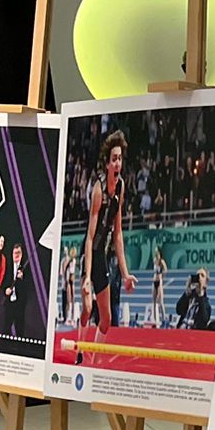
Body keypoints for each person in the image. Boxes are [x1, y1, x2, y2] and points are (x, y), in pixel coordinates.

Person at [80, 131, 134, 359]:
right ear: (108, 163)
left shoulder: (120, 187)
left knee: (107, 319)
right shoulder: (98, 190)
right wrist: (87, 276)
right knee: (88, 308)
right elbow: (90, 237)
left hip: (101, 255)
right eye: (114, 159)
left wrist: (126, 273)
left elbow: (118, 234)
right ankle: (79, 350)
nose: (118, 163)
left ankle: (92, 357)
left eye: (120, 158)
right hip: (89, 253)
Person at [148, 244, 167, 328]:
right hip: (154, 281)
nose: (155, 252)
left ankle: (164, 319)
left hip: (159, 282)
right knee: (154, 301)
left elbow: (165, 270)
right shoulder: (154, 260)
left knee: (160, 301)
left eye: (156, 251)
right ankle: (155, 320)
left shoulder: (161, 261)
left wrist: (161, 276)